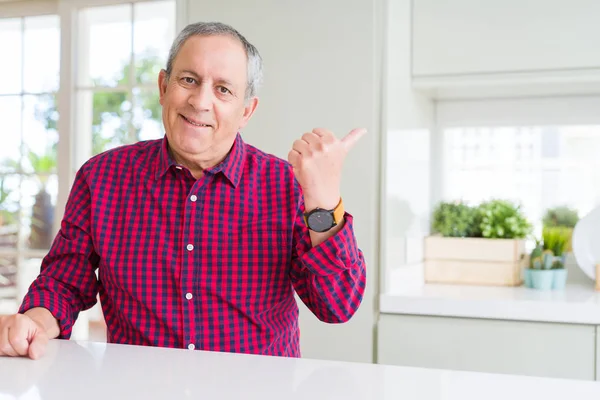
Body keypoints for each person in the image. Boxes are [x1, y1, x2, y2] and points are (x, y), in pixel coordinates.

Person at [0, 21, 366, 360]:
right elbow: (64, 284)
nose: (200, 101)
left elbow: (337, 307)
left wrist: (324, 198)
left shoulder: (285, 185)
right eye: (188, 80)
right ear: (163, 87)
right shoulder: (101, 178)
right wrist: (35, 322)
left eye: (223, 89)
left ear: (246, 111)